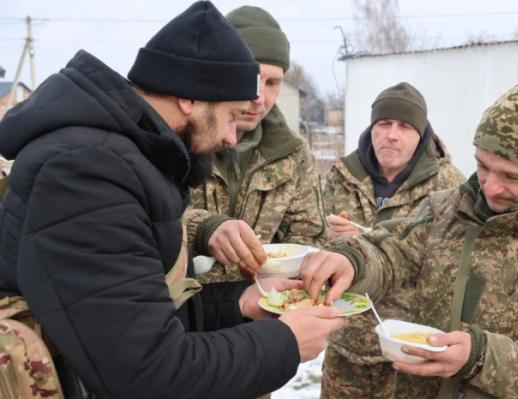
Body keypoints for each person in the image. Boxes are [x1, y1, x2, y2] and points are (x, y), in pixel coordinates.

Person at [0, 2, 345, 398]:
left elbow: (135, 310)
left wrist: (240, 304)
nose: (232, 138)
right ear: (189, 98)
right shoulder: (90, 173)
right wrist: (285, 343)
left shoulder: (120, 160)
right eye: (232, 116)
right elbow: (149, 372)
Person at [300, 78, 518, 398]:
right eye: (483, 166)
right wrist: (353, 259)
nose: (490, 187)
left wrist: (481, 357)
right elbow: (392, 251)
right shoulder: (447, 209)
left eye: (511, 176)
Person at [321, 82, 464, 398]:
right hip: (345, 347)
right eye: (384, 124)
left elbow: (453, 265)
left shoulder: (449, 185)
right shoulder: (341, 176)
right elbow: (312, 242)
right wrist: (327, 239)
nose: (392, 134)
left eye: (404, 126)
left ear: (422, 134)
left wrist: (368, 241)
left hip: (409, 352)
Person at [185, 5, 325, 284]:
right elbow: (149, 220)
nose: (260, 97)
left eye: (273, 82)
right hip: (184, 314)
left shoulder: (293, 154)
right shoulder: (182, 138)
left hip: (263, 312)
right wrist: (203, 228)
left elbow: (309, 237)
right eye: (252, 78)